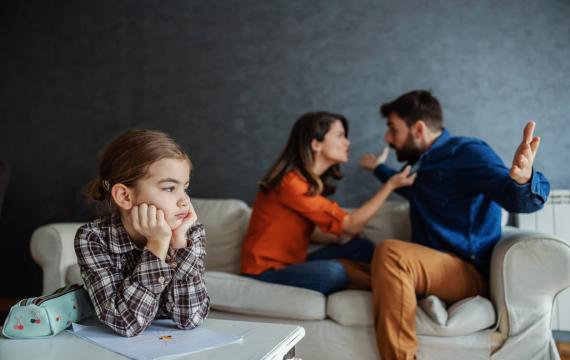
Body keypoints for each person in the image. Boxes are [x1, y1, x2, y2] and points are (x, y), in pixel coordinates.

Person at [359, 90, 550, 359]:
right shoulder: (423, 166)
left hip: (465, 270)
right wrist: (378, 170)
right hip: (430, 267)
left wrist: (523, 180)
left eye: (392, 128)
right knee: (346, 264)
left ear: (419, 128)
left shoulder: (466, 152)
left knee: (390, 253)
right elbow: (413, 190)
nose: (387, 138)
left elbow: (515, 199)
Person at [240, 111, 415, 295]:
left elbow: (302, 231)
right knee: (333, 273)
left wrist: (339, 237)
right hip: (263, 273)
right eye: (340, 136)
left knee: (361, 247)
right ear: (316, 144)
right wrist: (391, 185)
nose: (347, 142)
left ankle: (389, 279)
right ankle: (392, 282)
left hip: (294, 265)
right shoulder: (290, 184)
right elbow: (351, 225)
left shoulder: (308, 184)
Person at [75, 129, 209, 337]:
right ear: (124, 196)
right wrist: (157, 245)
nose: (184, 200)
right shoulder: (93, 238)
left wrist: (179, 243)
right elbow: (124, 324)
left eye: (185, 188)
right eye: (169, 188)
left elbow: (191, 318)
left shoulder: (189, 234)